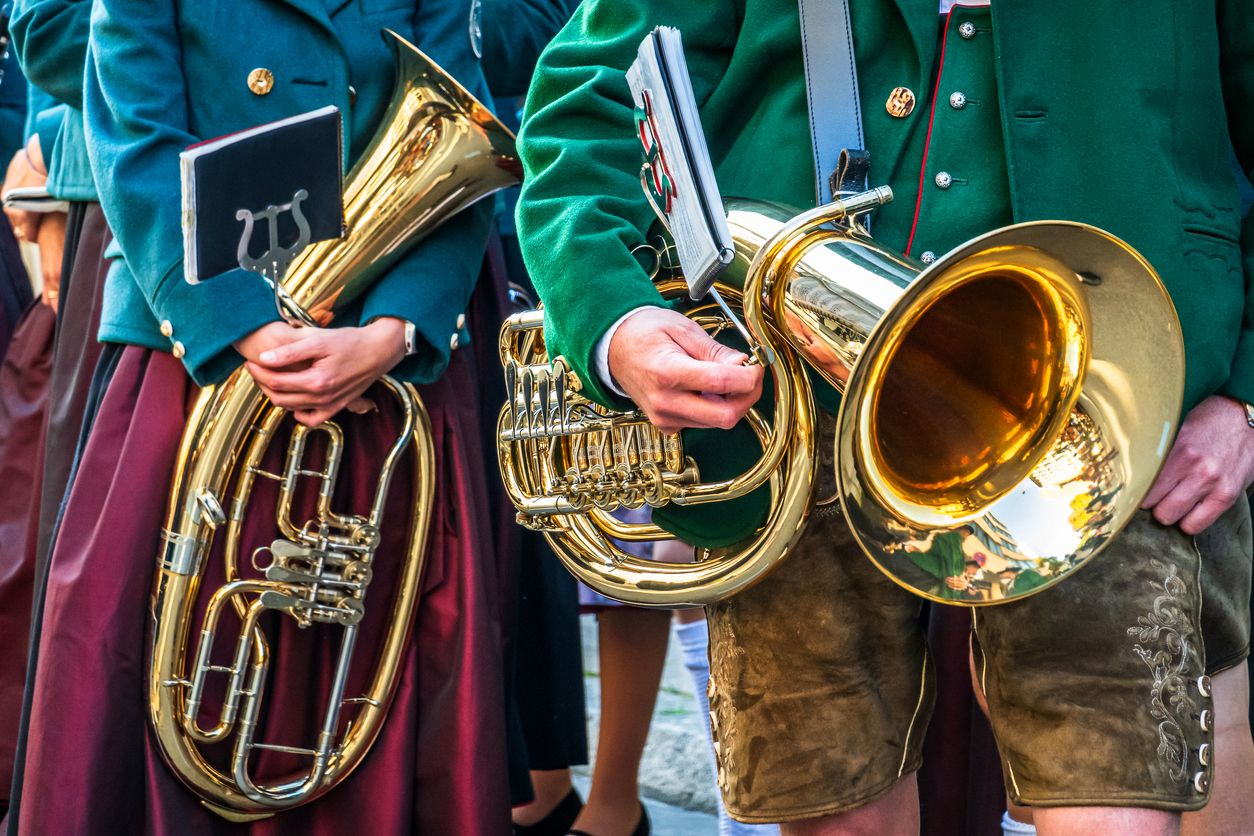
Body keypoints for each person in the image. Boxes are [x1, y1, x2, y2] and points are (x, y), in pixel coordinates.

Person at [515, 1, 1254, 834]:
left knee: (1115, 797)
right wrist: (614, 317)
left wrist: (1249, 397)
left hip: (1113, 371)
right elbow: (590, 97)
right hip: (793, 387)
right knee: (834, 805)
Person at [3, 1, 566, 833]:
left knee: (386, 668)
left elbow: (468, 134)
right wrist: (238, 326)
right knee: (143, 661)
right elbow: (135, 143)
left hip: (380, 354)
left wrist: (397, 328)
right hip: (189, 346)